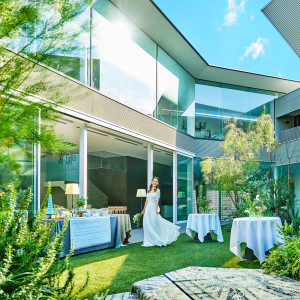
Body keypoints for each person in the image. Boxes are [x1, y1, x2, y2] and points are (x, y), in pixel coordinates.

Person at [141, 176, 180, 247]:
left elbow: (156, 201)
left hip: (153, 208)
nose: (154, 182)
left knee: (154, 223)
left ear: (157, 183)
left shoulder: (157, 190)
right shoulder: (149, 190)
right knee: (147, 224)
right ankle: (149, 240)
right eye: (153, 181)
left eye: (156, 181)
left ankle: (158, 239)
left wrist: (156, 210)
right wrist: (144, 210)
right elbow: (146, 201)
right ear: (152, 181)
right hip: (148, 209)